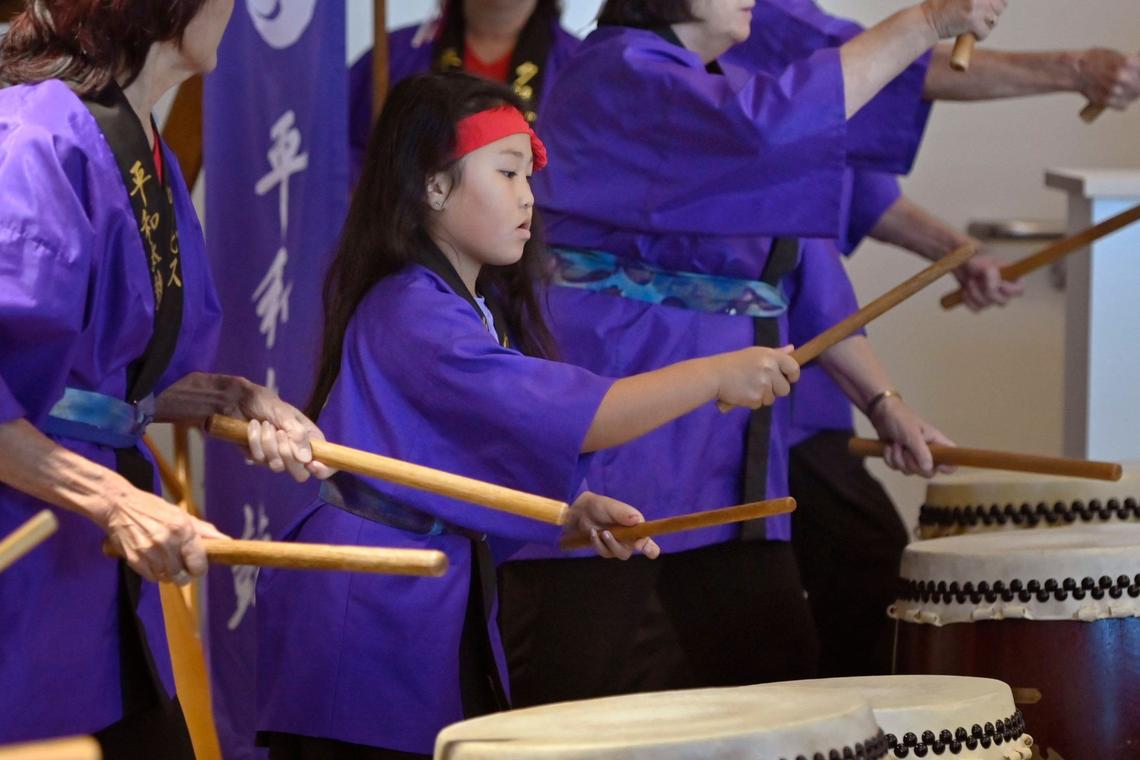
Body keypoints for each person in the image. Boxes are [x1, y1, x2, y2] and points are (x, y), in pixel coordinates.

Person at [256, 71, 805, 759]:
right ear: (433, 187)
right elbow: (575, 413)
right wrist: (716, 372)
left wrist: (567, 510)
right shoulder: (413, 308)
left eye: (529, 178)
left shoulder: (454, 305)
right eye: (508, 173)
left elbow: (469, 447)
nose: (528, 199)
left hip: (413, 589)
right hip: (365, 598)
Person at [496, 0, 986, 707]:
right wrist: (926, 22)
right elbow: (762, 125)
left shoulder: (714, 85)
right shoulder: (616, 72)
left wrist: (886, 405)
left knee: (775, 676)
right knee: (583, 696)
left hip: (727, 454)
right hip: (621, 432)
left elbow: (803, 278)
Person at [726, 0, 1140, 677]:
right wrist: (1074, 68)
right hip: (718, 386)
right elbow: (894, 73)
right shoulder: (700, 44)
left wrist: (955, 250)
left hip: (792, 374)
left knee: (860, 572)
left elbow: (835, 182)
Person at [0, 1, 328, 755]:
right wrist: (115, 502)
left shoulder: (134, 138)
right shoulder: (34, 138)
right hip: (27, 544)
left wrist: (234, 401)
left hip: (91, 555)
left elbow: (94, 379)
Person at [349, 0, 580, 170]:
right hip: (406, 232)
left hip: (536, 233)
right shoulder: (392, 56)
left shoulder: (581, 68)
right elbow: (335, 156)